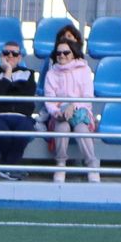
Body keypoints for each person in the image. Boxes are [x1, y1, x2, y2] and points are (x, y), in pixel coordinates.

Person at [43, 39, 99, 183]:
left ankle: (92, 165)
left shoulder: (84, 70)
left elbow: (88, 97)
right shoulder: (51, 73)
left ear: (73, 53)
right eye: (58, 53)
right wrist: (57, 112)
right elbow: (49, 100)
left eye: (66, 52)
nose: (62, 55)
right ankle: (61, 164)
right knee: (62, 127)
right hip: (60, 113)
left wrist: (73, 105)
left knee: (81, 129)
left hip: (81, 112)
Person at [0, 42, 40, 179]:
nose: (10, 56)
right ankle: (12, 167)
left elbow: (26, 96)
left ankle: (7, 168)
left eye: (14, 53)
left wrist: (4, 86)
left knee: (24, 132)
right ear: (1, 56)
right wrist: (8, 73)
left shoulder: (29, 74)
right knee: (2, 133)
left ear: (20, 57)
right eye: (6, 53)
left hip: (21, 116)